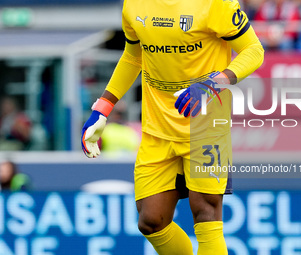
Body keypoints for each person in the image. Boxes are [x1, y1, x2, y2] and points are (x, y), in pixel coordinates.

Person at [82, 0, 264, 254]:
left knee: (206, 212)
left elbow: (254, 50)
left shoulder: (216, 3)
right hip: (158, 127)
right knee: (150, 221)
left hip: (206, 124)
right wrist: (103, 108)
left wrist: (214, 83)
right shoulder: (133, 5)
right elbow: (134, 57)